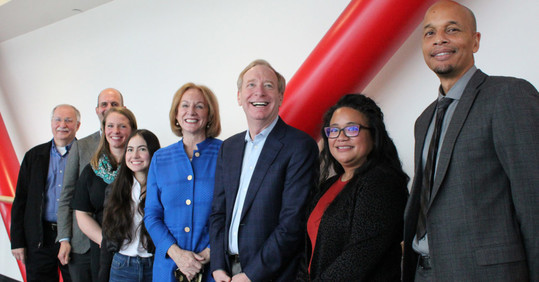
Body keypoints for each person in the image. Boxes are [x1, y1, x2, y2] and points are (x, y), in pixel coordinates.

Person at [402, 1, 539, 281]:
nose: (439, 39)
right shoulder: (424, 120)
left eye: (452, 29)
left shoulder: (509, 95)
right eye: (430, 33)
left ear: (475, 41)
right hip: (424, 272)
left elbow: (534, 201)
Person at [209, 59, 319, 282]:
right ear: (239, 97)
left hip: (272, 274)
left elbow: (292, 223)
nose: (259, 92)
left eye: (268, 85)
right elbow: (218, 212)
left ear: (280, 97)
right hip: (226, 273)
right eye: (250, 85)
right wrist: (218, 265)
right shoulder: (228, 148)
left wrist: (251, 275)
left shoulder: (300, 146)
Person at [297, 94, 408, 281]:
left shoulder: (382, 182)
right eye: (334, 130)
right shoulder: (328, 186)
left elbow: (358, 257)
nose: (341, 137)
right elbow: (309, 251)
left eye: (351, 129)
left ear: (373, 134)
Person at [144, 83, 222, 282]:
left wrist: (209, 252)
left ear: (209, 114)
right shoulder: (160, 158)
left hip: (214, 267)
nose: (191, 112)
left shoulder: (226, 153)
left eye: (199, 106)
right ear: (177, 114)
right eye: (185, 106)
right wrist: (177, 254)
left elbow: (234, 211)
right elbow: (152, 215)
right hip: (168, 267)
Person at [57, 88, 124, 282]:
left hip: (122, 244)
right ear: (97, 110)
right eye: (104, 104)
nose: (108, 108)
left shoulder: (135, 147)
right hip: (82, 245)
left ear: (124, 108)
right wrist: (64, 238)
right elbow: (67, 194)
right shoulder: (81, 146)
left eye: (114, 104)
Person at [11, 104, 81, 282]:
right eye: (58, 119)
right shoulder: (33, 156)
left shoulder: (86, 155)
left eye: (68, 120)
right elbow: (21, 200)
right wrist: (17, 241)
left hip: (75, 237)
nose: (62, 125)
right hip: (39, 237)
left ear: (78, 125)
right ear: (51, 123)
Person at [72, 107, 137, 282]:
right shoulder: (91, 170)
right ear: (104, 129)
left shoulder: (141, 167)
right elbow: (82, 212)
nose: (115, 131)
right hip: (103, 251)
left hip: (138, 252)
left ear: (132, 129)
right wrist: (105, 241)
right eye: (110, 126)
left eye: (122, 126)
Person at [101, 130, 161, 282]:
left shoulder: (164, 188)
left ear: (153, 152)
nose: (135, 156)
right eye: (130, 149)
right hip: (122, 265)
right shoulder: (115, 190)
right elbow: (108, 235)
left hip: (155, 264)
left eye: (142, 149)